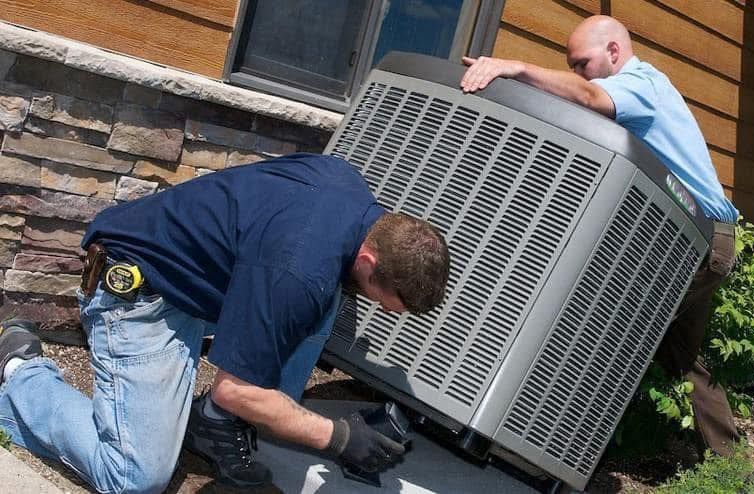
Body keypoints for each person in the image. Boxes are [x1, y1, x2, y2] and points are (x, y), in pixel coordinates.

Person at [0, 152, 450, 493]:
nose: (386, 310)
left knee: (325, 295)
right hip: (138, 293)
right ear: (373, 258)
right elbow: (234, 385)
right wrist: (337, 437)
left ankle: (213, 421)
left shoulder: (347, 187)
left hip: (196, 284)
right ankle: (21, 370)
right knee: (135, 476)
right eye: (388, 300)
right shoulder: (299, 271)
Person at [461, 15, 740, 457]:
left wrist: (517, 67)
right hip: (705, 241)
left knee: (604, 334)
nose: (578, 74)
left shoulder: (640, 84)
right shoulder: (632, 90)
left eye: (581, 63)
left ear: (614, 52)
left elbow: (591, 97)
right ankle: (732, 469)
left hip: (696, 243)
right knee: (682, 359)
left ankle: (545, 450)